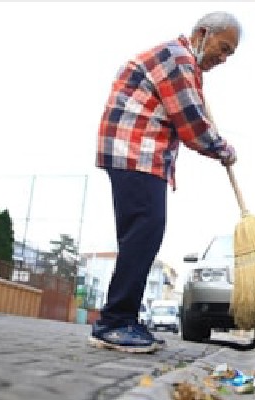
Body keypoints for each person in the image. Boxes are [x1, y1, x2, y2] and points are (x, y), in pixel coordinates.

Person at [89, 11, 241, 353]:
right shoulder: (178, 58)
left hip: (139, 154)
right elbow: (191, 122)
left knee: (141, 236)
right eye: (224, 47)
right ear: (203, 33)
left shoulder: (185, 63)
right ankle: (114, 322)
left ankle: (122, 318)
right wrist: (223, 149)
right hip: (135, 150)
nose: (224, 57)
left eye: (230, 53)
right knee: (145, 231)